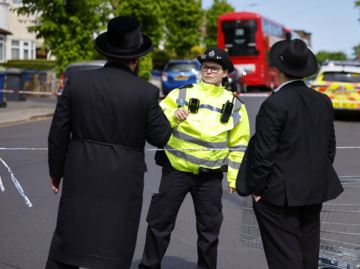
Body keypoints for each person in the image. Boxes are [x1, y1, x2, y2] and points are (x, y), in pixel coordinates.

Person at [46, 16, 172, 269]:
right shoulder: (146, 92)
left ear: (106, 53)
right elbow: (161, 137)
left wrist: (56, 173)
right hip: (124, 176)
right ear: (136, 60)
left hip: (80, 170)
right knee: (116, 242)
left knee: (69, 238)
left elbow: (58, 133)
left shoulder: (77, 82)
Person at [138, 47, 250, 269]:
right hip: (176, 171)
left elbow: (239, 144)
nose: (208, 71)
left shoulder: (235, 105)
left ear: (225, 72)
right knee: (159, 224)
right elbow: (156, 120)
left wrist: (234, 177)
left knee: (209, 231)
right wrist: (172, 115)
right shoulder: (182, 93)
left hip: (210, 177)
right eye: (205, 67)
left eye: (214, 68)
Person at [249, 39, 343, 269]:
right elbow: (330, 148)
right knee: (308, 253)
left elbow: (263, 153)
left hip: (280, 195)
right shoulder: (323, 100)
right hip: (314, 191)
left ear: (279, 70)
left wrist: (258, 190)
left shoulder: (275, 103)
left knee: (285, 257)